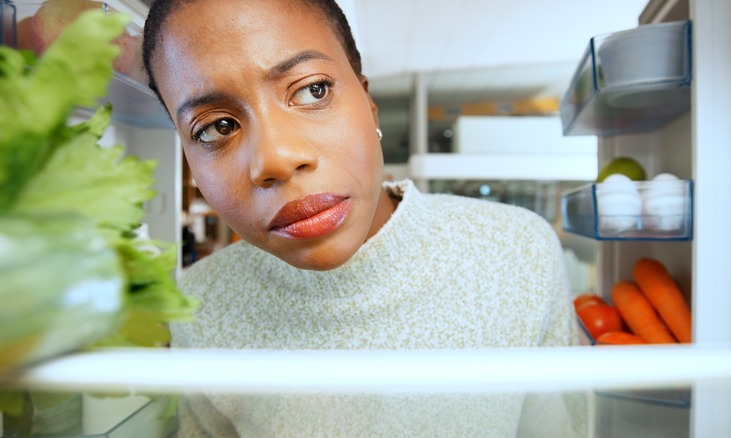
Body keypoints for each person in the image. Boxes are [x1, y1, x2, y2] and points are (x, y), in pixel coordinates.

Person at [142, 0, 587, 436]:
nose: (277, 158)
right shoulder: (201, 304)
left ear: (369, 104)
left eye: (312, 89)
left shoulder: (515, 252)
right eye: (217, 127)